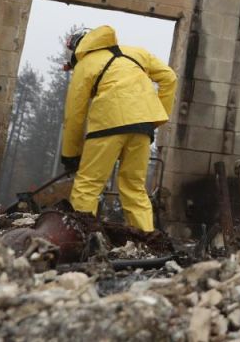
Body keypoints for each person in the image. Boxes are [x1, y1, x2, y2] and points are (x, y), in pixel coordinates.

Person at [60, 25, 177, 232]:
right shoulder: (136, 53)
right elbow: (169, 78)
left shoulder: (85, 65)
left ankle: (82, 237)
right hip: (142, 127)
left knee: (88, 185)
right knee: (134, 189)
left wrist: (71, 154)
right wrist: (158, 117)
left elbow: (74, 115)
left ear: (79, 49)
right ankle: (146, 242)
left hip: (107, 126)